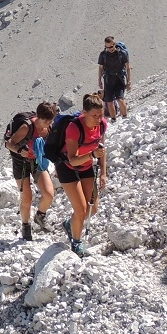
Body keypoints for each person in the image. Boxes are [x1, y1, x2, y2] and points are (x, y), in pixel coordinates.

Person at [57, 93, 108, 257]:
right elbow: (72, 160)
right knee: (81, 209)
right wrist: (92, 155)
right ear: (84, 113)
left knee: (93, 208)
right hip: (67, 168)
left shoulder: (102, 125)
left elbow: (101, 149)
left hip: (86, 166)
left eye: (101, 115)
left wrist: (103, 174)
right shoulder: (74, 128)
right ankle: (77, 243)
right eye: (95, 116)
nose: (99, 119)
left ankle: (70, 224)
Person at [4, 102, 56, 241]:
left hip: (37, 161)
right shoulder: (26, 127)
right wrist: (20, 151)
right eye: (45, 121)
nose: (47, 124)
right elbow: (9, 143)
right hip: (21, 163)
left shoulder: (49, 128)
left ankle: (40, 216)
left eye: (50, 121)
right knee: (27, 197)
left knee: (49, 193)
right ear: (38, 117)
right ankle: (26, 226)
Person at [98, 36, 131, 121]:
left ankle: (125, 117)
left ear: (114, 44)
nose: (109, 49)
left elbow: (128, 67)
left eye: (111, 46)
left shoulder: (122, 53)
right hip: (108, 80)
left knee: (120, 99)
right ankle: (113, 119)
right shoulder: (103, 55)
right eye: (107, 47)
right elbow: (101, 68)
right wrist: (99, 80)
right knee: (109, 101)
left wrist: (129, 81)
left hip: (119, 79)